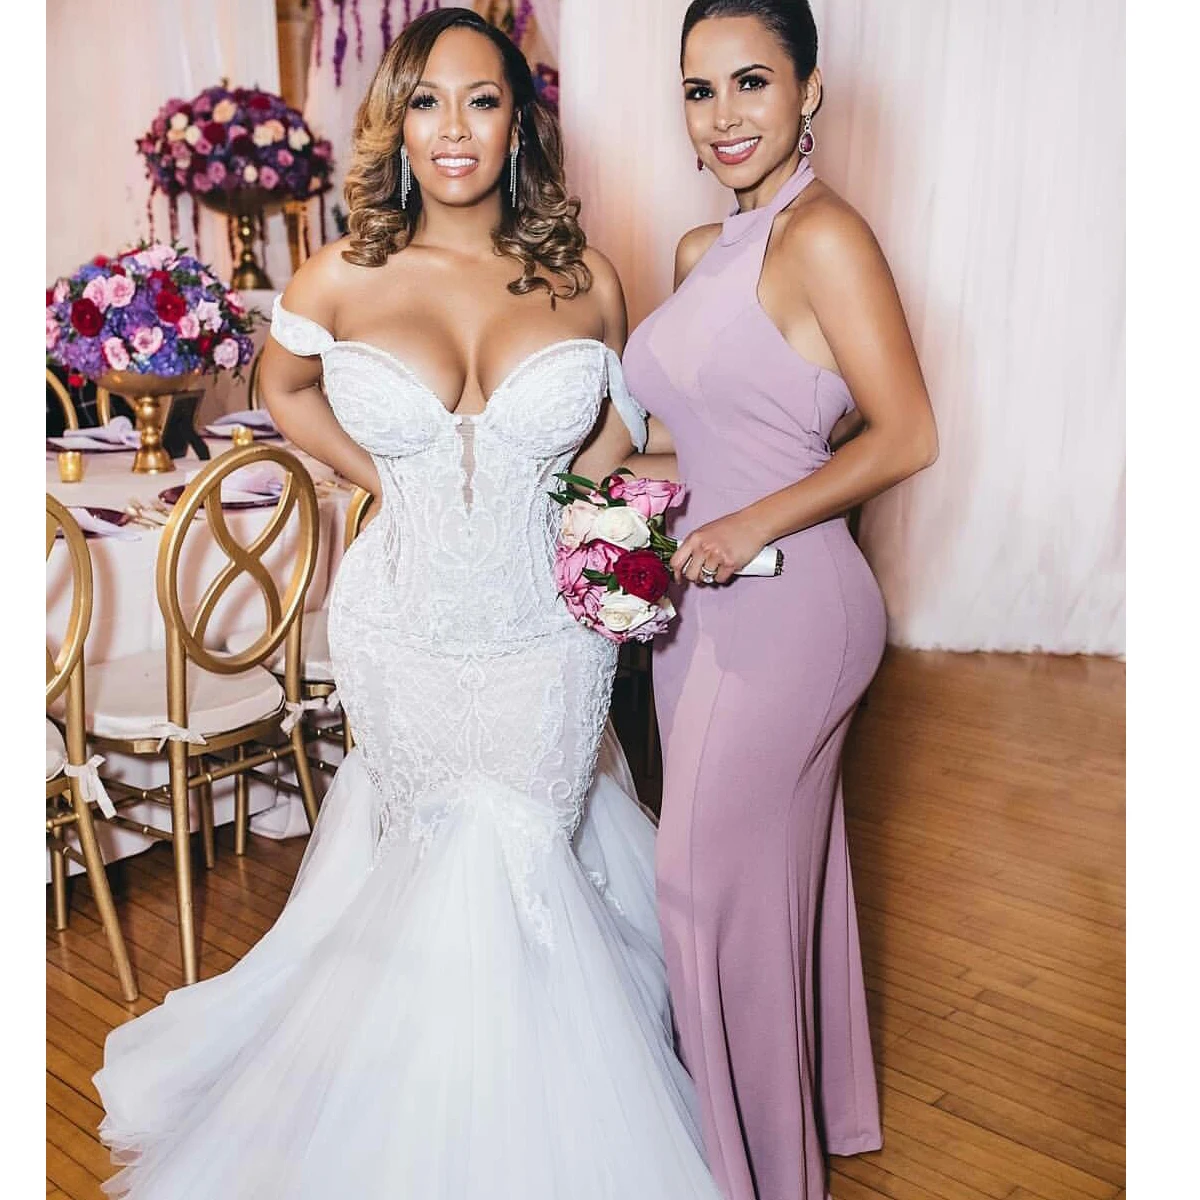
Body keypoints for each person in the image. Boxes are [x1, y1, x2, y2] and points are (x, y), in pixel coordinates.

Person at [92, 10, 723, 1197]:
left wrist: (589, 513)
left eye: (482, 100)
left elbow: (609, 437)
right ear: (396, 120)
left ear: (519, 122)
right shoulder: (338, 276)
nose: (454, 129)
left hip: (545, 634)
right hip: (401, 625)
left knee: (525, 854)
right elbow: (283, 385)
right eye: (428, 101)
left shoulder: (587, 280)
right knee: (433, 861)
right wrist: (380, 475)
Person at [622, 2, 939, 1197]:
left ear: (809, 91)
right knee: (776, 872)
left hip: (795, 604)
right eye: (699, 90)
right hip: (699, 603)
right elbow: (702, 441)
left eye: (751, 82)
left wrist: (757, 519)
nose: (723, 115)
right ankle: (814, 1123)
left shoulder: (826, 236)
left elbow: (907, 433)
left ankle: (749, 1176)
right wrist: (595, 497)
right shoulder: (701, 250)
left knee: (699, 886)